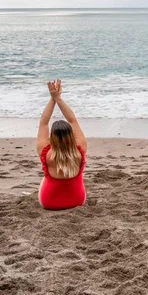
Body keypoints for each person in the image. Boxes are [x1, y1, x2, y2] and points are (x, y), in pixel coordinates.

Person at [36, 80, 88, 210]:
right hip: (77, 200)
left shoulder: (46, 152)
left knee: (45, 179)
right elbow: (72, 120)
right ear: (71, 135)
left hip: (49, 202)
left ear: (52, 137)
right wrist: (58, 98)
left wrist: (52, 99)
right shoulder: (79, 149)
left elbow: (43, 123)